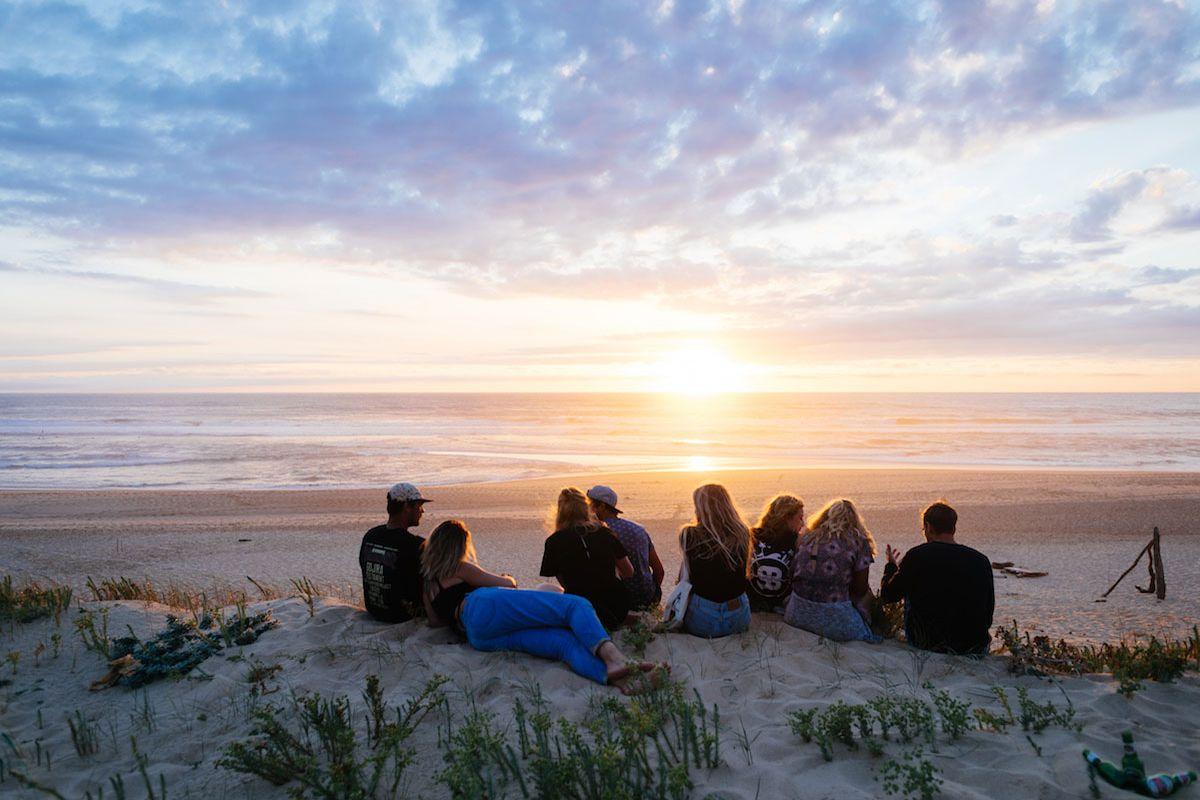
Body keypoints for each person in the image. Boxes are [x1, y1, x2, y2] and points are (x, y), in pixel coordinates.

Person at [422, 519, 662, 691]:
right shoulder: (461, 567)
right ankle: (615, 658)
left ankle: (617, 680)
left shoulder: (429, 582)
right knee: (575, 605)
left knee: (561, 644)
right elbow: (507, 584)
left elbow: (434, 621)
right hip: (482, 604)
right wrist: (509, 577)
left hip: (476, 636)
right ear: (457, 546)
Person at [879, 500, 994, 655]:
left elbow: (888, 596)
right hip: (974, 645)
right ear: (954, 528)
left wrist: (892, 567)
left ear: (928, 527)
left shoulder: (917, 556)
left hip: (928, 643)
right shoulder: (981, 560)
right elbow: (988, 612)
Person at [784, 498, 881, 643]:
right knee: (869, 596)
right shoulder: (858, 541)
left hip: (796, 614)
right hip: (837, 622)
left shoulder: (807, 537)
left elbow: (793, 574)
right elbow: (860, 589)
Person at [540, 487, 634, 628]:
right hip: (617, 608)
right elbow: (629, 571)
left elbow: (565, 583)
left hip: (581, 610)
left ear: (560, 512)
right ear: (586, 508)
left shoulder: (554, 541)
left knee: (544, 588)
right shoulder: (605, 533)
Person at [678, 484, 752, 638]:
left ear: (700, 507)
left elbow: (685, 577)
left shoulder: (689, 534)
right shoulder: (742, 531)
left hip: (703, 621)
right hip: (739, 618)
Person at [359, 482, 430, 622]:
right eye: (419, 505)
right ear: (406, 507)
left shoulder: (370, 536)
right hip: (404, 615)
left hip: (375, 609)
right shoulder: (416, 545)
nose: (422, 511)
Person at [587, 485, 665, 609]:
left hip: (618, 602)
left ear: (601, 507)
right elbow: (659, 571)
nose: (586, 509)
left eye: (589, 505)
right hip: (646, 597)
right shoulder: (639, 529)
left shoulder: (597, 533)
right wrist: (652, 599)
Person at [748, 494, 804, 612]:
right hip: (782, 604)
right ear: (787, 518)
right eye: (800, 518)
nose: (803, 523)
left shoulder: (751, 535)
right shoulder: (797, 541)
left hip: (753, 601)